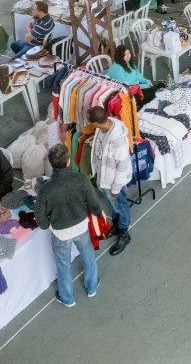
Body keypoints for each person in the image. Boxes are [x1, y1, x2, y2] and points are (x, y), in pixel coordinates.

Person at [35, 144, 112, 307]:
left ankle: (67, 297)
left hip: (60, 234)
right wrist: (99, 214)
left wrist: (50, 225)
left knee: (63, 265)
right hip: (82, 227)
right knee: (88, 256)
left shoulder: (45, 189)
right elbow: (94, 204)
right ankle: (92, 287)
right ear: (68, 161)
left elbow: (40, 221)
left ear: (51, 164)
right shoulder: (81, 179)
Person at [86, 106, 133, 256]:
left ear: (97, 123)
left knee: (120, 205)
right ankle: (118, 225)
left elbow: (122, 166)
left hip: (114, 182)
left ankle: (124, 232)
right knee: (114, 205)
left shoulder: (118, 140)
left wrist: (116, 187)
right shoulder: (102, 128)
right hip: (104, 178)